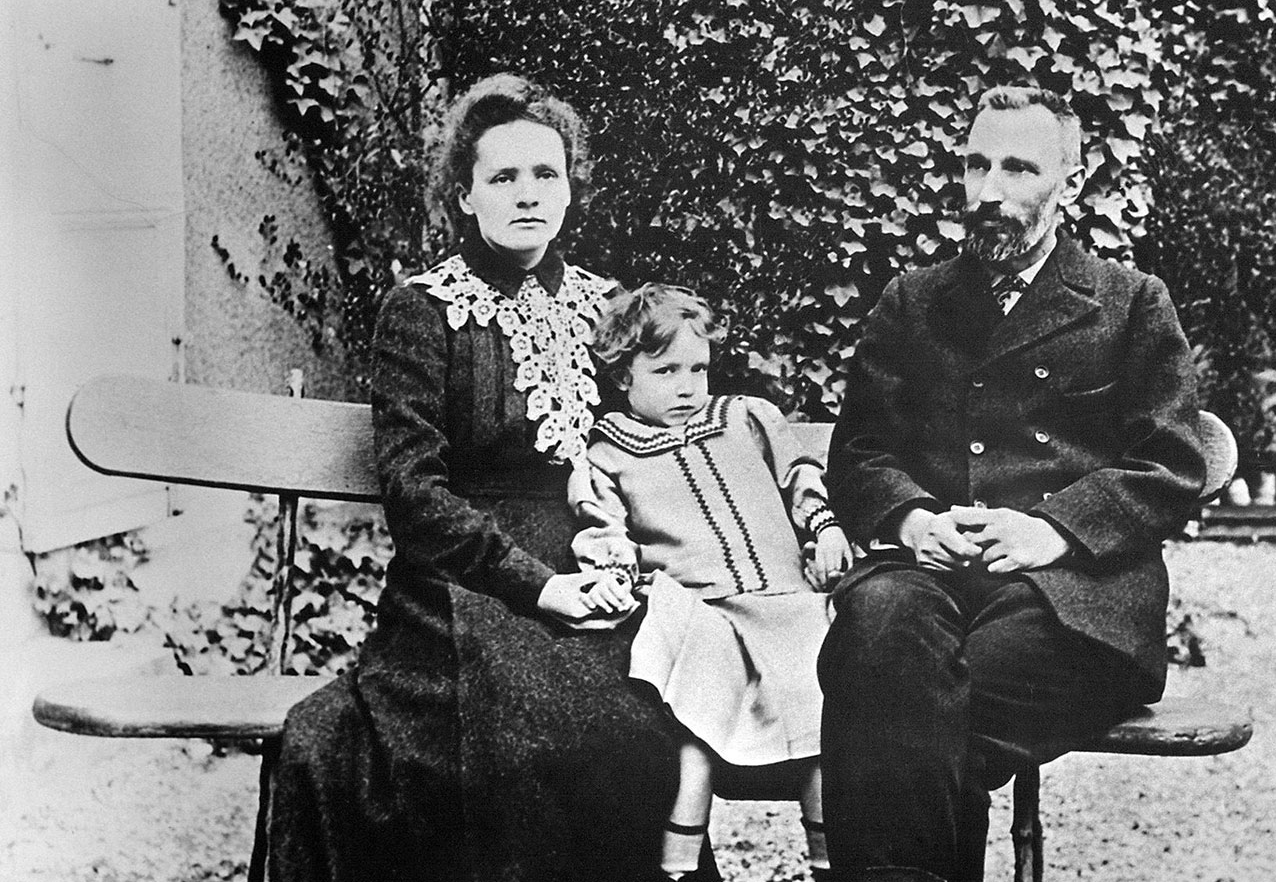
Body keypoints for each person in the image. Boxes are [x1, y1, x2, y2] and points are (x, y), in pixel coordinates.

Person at [264, 74, 714, 882]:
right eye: (503, 177)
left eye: (547, 174)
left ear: (572, 188)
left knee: (628, 726)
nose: (528, 193)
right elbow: (414, 491)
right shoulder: (422, 309)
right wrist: (539, 587)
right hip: (462, 584)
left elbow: (666, 444)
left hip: (604, 570)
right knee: (507, 733)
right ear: (464, 196)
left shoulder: (611, 309)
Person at [819, 85, 1208, 882]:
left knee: (902, 712)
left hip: (1074, 597)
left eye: (1018, 168)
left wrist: (1053, 528)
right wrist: (917, 520)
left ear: (1071, 175)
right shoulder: (914, 301)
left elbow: (1172, 465)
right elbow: (858, 452)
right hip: (928, 574)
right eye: (975, 165)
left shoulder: (1129, 303)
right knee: (881, 632)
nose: (988, 192)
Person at [568, 283, 852, 881]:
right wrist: (614, 572)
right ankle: (676, 867)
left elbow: (801, 474)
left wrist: (823, 528)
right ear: (623, 375)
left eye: (698, 367)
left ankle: (832, 864)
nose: (687, 384)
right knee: (692, 736)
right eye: (666, 369)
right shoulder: (609, 454)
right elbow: (604, 525)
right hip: (704, 613)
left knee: (825, 724)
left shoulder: (745, 417)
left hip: (786, 600)